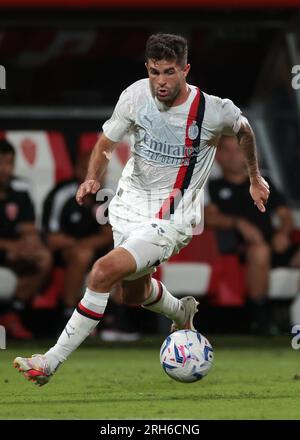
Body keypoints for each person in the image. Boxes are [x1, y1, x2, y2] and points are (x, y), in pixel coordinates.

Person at [14, 33, 269, 385]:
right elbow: (106, 141)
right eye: (154, 72)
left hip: (173, 216)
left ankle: (50, 361)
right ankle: (181, 312)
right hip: (128, 206)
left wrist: (254, 177)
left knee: (102, 271)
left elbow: (243, 130)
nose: (160, 82)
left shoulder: (212, 109)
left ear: (185, 70)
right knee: (130, 292)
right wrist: (92, 177)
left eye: (168, 72)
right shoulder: (135, 95)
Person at [205, 135, 299, 333]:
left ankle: (291, 315)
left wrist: (283, 233)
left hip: (274, 244)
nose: (233, 156)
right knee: (260, 250)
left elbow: (285, 216)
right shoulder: (214, 186)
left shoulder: (262, 182)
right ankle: (260, 317)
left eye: (238, 150)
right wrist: (238, 223)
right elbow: (208, 217)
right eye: (227, 150)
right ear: (218, 156)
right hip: (240, 248)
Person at [42, 144, 113, 318]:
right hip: (64, 252)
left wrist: (88, 244)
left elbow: (109, 234)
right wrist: (81, 245)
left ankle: (115, 316)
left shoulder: (106, 196)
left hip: (94, 249)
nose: (98, 174)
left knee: (123, 254)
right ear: (79, 170)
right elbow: (52, 239)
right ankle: (67, 312)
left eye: (101, 169)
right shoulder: (62, 194)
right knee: (82, 254)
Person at [0, 139, 52, 339]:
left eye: (9, 163)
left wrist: (30, 246)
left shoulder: (19, 195)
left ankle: (11, 313)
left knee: (43, 258)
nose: (5, 169)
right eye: (1, 163)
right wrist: (9, 246)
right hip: (7, 250)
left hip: (12, 253)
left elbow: (29, 229)